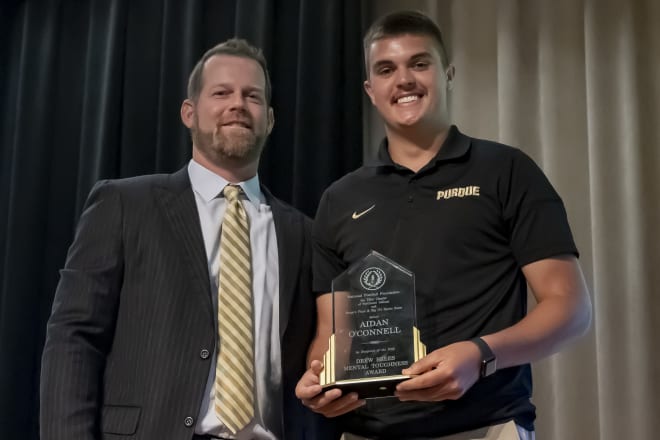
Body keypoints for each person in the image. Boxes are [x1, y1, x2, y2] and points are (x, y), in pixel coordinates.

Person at [296, 10, 592, 440]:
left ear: (447, 73)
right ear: (370, 90)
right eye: (386, 69)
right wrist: (319, 381)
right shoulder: (339, 199)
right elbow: (330, 334)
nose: (404, 80)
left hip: (486, 427)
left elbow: (570, 308)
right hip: (366, 433)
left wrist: (481, 354)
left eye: (420, 63)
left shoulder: (506, 171)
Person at [41, 38, 323, 439]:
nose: (238, 104)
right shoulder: (123, 204)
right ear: (189, 112)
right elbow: (74, 337)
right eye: (221, 92)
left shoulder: (304, 234)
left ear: (271, 119)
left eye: (252, 96)